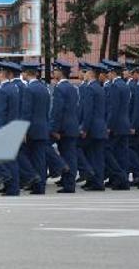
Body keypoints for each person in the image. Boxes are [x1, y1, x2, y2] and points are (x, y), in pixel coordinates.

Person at [0, 61, 21, 195]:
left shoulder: (3, 90)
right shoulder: (13, 88)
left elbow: (1, 115)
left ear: (2, 73)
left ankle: (5, 175)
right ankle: (13, 188)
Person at [20, 62, 50, 195]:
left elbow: (27, 112)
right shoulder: (44, 88)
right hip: (43, 127)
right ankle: (40, 185)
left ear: (26, 73)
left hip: (32, 129)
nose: (22, 75)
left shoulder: (29, 89)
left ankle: (37, 185)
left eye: (23, 73)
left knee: (31, 158)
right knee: (40, 158)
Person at [50, 61, 80, 193]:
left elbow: (58, 111)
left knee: (67, 156)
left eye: (55, 70)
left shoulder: (60, 88)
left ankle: (69, 184)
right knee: (70, 156)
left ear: (60, 72)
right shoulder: (73, 88)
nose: (53, 73)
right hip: (72, 126)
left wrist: (55, 129)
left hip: (64, 128)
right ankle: (69, 181)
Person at [104, 60, 132, 190]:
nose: (107, 75)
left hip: (116, 125)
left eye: (108, 72)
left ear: (113, 73)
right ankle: (123, 181)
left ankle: (120, 177)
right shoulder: (125, 85)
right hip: (124, 124)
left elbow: (113, 109)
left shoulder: (115, 86)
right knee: (122, 154)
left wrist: (109, 126)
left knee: (108, 151)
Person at [80, 63, 108, 191]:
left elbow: (88, 111)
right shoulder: (100, 88)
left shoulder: (90, 89)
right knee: (98, 156)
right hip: (100, 126)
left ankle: (96, 182)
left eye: (85, 73)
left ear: (90, 74)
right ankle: (96, 181)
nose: (83, 75)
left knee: (92, 156)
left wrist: (84, 128)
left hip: (92, 128)